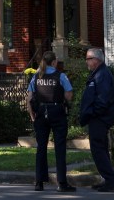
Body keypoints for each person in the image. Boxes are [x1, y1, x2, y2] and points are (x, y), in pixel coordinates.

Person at [26, 51, 76, 192]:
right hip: (57, 113)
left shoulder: (36, 77)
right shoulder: (60, 76)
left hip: (41, 114)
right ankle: (62, 183)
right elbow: (69, 94)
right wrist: (64, 100)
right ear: (54, 62)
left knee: (41, 147)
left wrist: (32, 116)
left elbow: (29, 98)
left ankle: (39, 182)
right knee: (60, 147)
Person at [79, 47, 114, 192]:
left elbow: (103, 99)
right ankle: (109, 179)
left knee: (98, 150)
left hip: (100, 118)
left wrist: (92, 113)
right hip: (99, 117)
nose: (86, 61)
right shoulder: (98, 74)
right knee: (101, 150)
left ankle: (111, 180)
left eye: (88, 59)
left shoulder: (102, 75)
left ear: (96, 60)